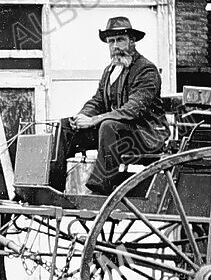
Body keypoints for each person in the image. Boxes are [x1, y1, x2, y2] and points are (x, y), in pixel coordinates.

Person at [49, 17, 169, 195]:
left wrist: (94, 120)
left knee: (108, 126)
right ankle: (54, 186)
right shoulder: (110, 70)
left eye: (120, 40)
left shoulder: (145, 70)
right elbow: (97, 101)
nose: (115, 46)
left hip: (146, 136)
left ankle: (101, 185)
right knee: (65, 126)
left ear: (132, 41)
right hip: (120, 135)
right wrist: (81, 117)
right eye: (111, 41)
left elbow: (133, 109)